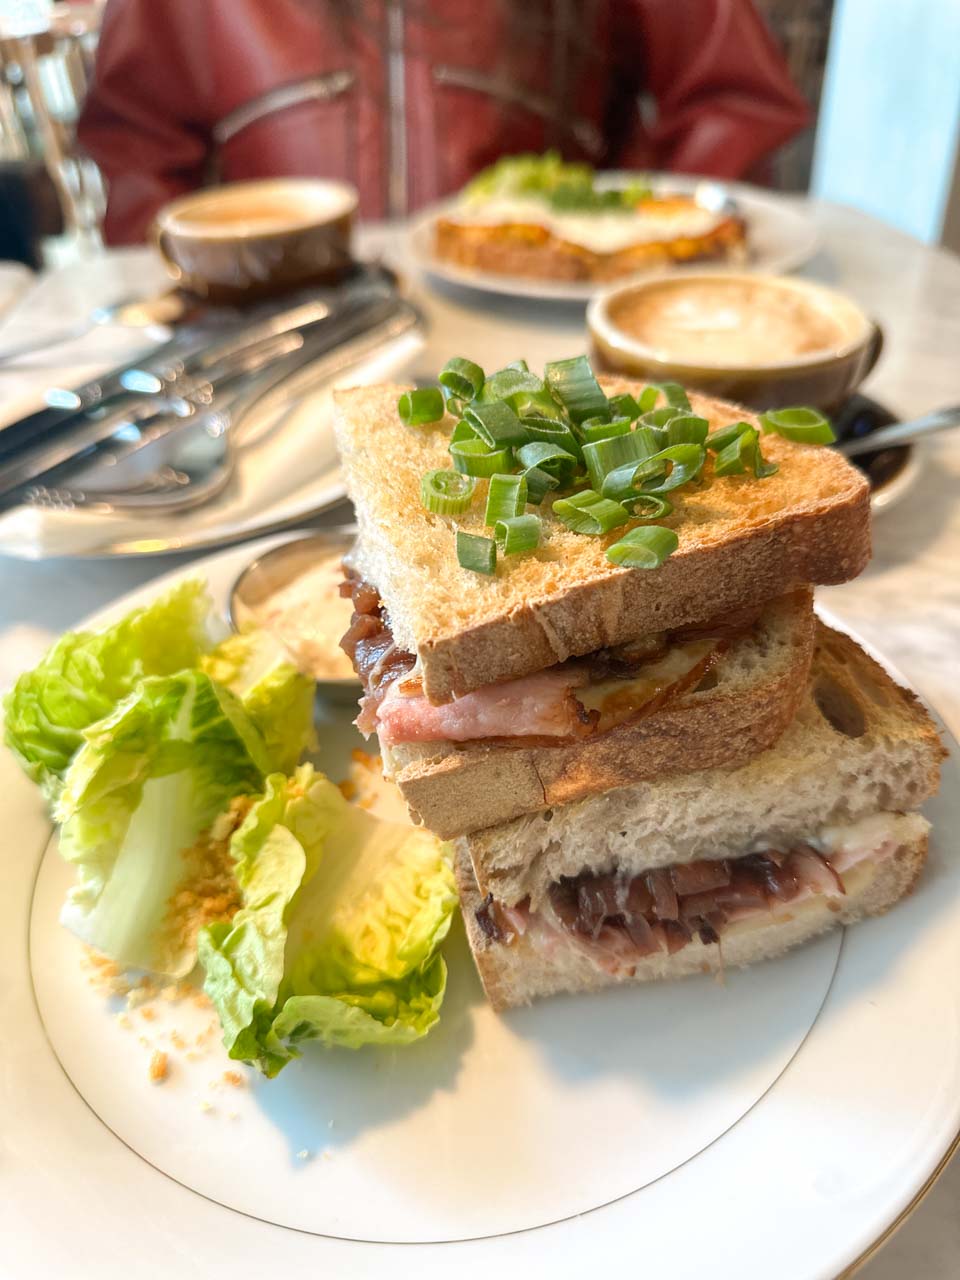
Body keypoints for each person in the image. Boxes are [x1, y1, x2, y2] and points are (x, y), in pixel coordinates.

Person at [78, 0, 811, 245]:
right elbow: (137, 140)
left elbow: (733, 100)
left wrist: (651, 251)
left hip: (545, 346)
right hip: (281, 352)